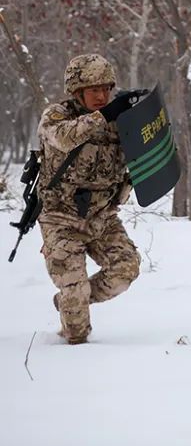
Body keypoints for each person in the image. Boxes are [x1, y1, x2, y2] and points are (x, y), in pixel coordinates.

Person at [38, 54, 141, 344]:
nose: (101, 96)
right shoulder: (56, 116)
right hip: (61, 219)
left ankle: (72, 297)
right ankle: (74, 300)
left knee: (125, 269)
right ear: (76, 91)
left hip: (101, 217)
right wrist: (106, 115)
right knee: (76, 333)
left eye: (106, 89)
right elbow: (65, 138)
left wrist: (140, 116)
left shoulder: (117, 121)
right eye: (93, 90)